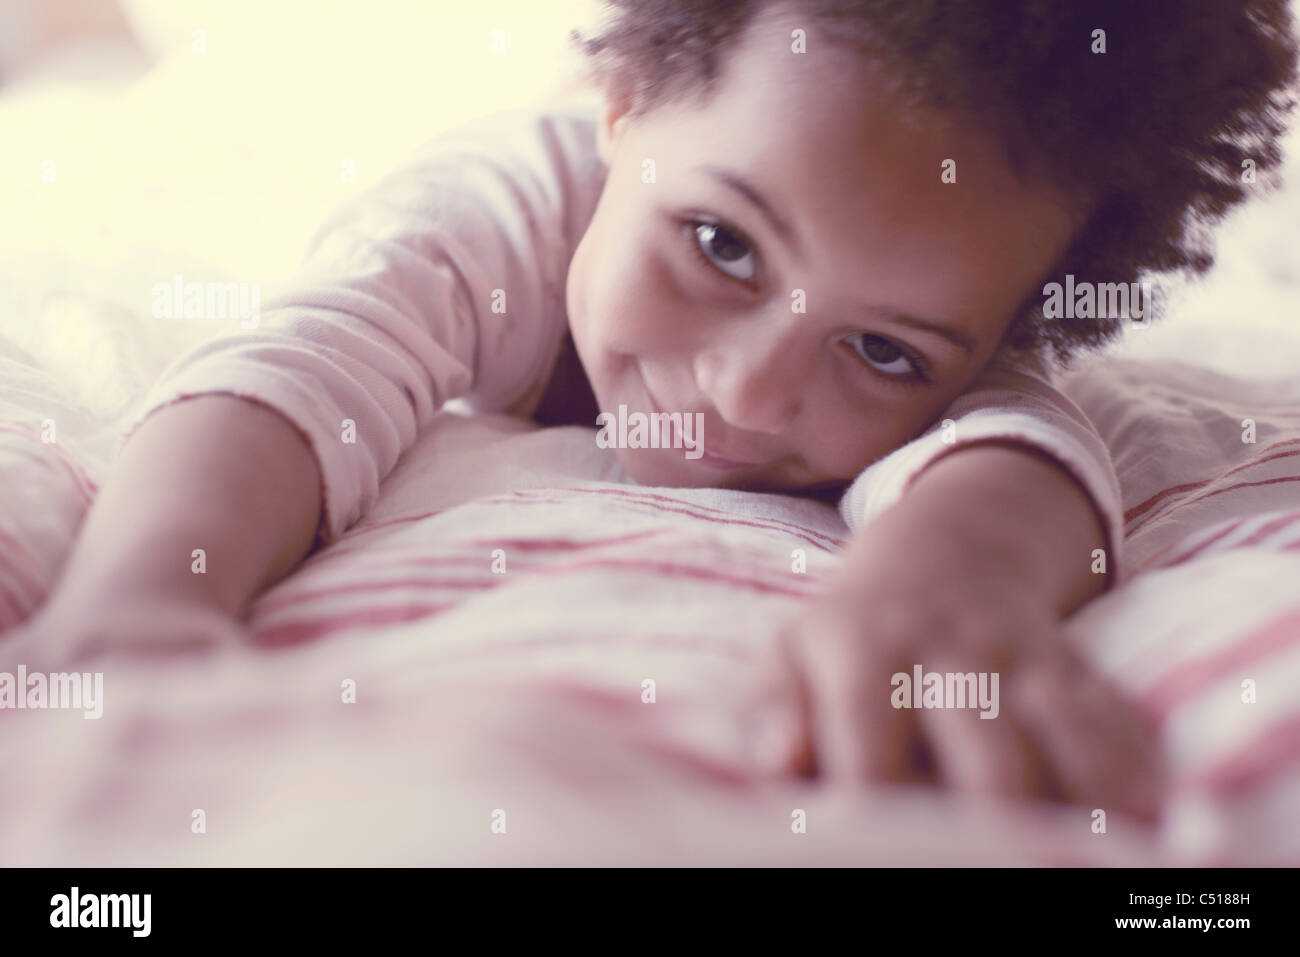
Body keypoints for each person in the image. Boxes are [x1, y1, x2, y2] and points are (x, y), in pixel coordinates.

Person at [7, 0, 1296, 820]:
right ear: (624, 113)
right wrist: (143, 592)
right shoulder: (510, 203)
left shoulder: (967, 316)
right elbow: (312, 362)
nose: (746, 390)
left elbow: (1023, 440)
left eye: (884, 354)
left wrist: (945, 575)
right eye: (721, 246)